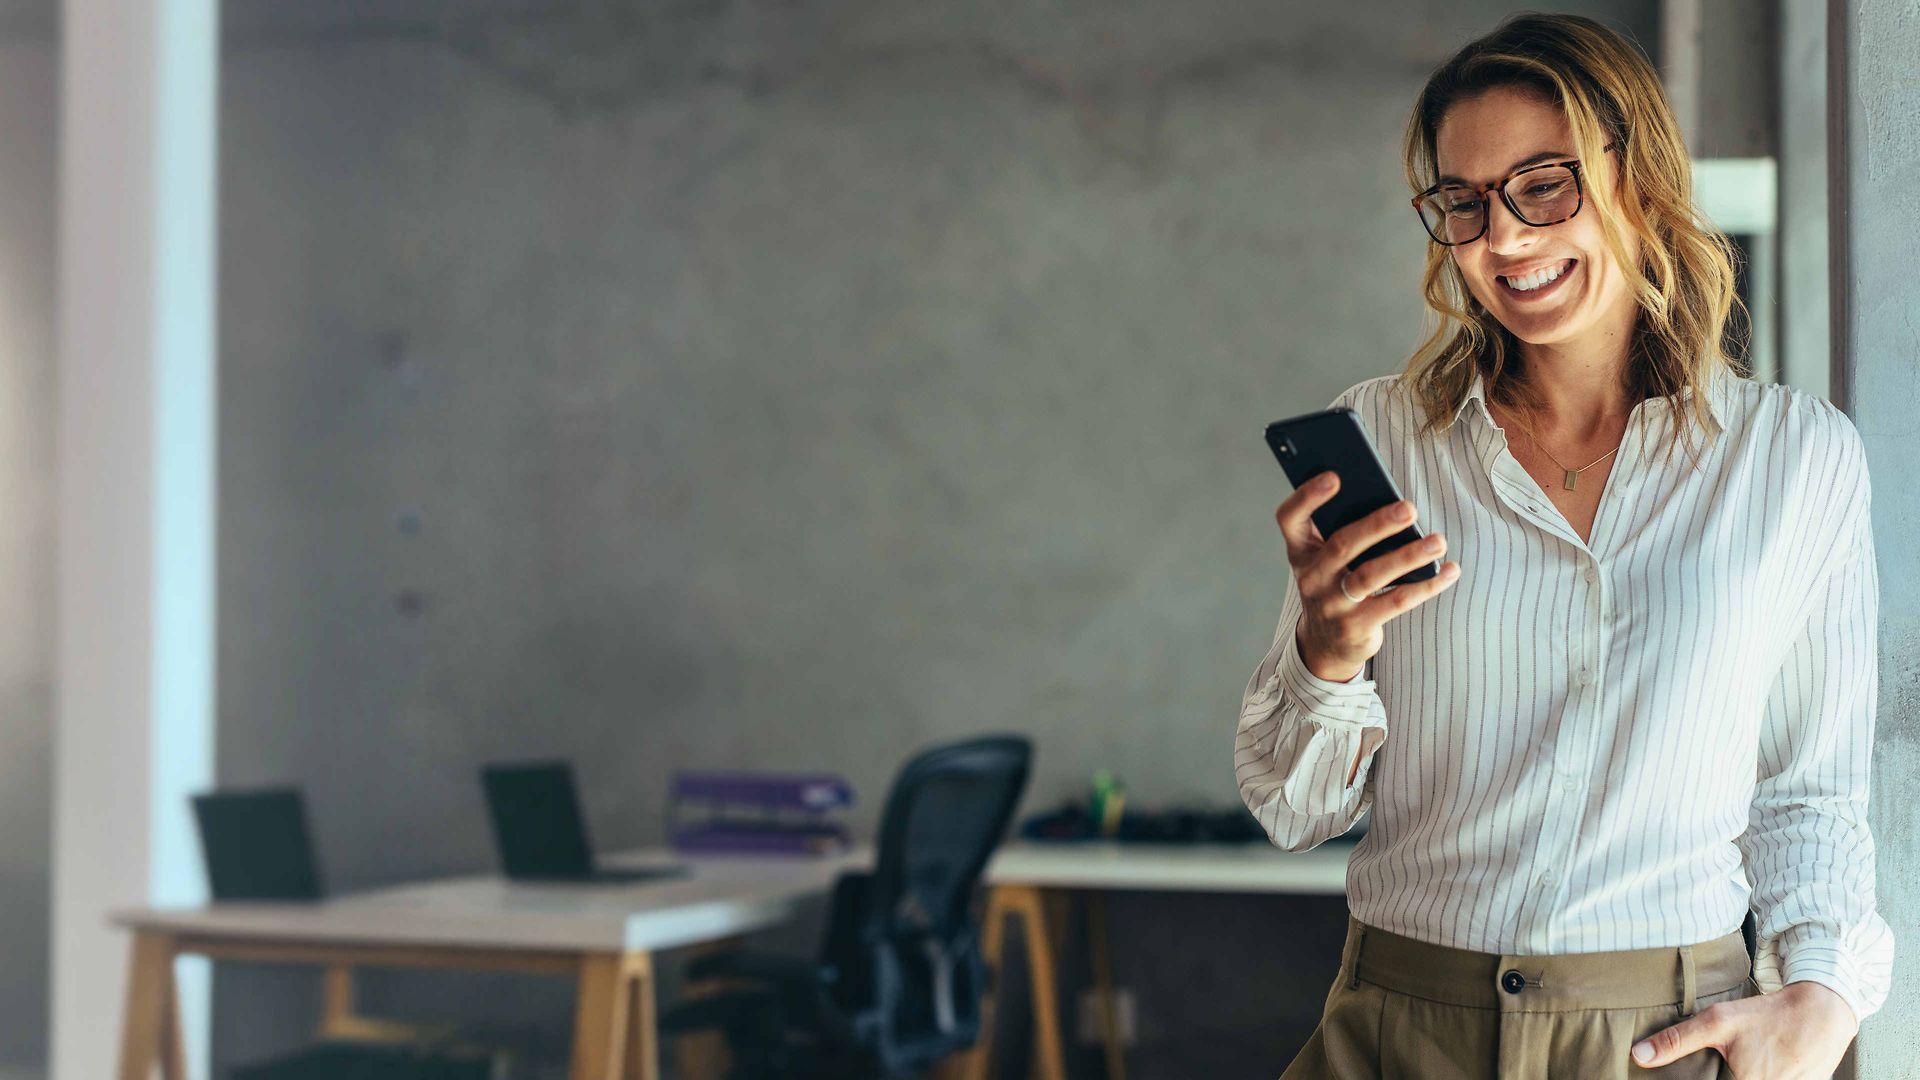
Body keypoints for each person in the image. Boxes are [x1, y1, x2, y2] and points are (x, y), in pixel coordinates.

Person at [1233, 13, 1891, 1078]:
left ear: (1641, 178)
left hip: (1659, 1037)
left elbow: (1808, 791)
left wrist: (1820, 1000)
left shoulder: (1793, 458)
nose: (1502, 239)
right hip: (1400, 1024)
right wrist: (1327, 652)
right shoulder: (1391, 440)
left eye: (1546, 184)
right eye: (1464, 202)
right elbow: (1293, 807)